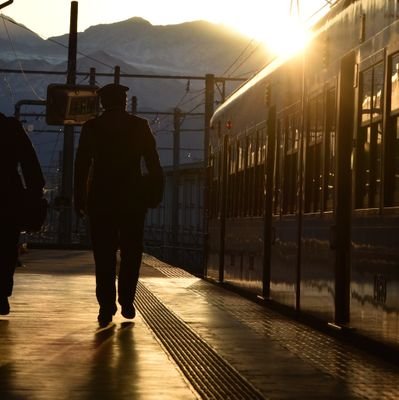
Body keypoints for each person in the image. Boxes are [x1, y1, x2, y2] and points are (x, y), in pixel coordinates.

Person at [74, 83, 163, 327]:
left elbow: (81, 165)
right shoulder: (139, 126)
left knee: (104, 255)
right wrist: (154, 194)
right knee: (131, 252)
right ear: (123, 101)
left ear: (103, 103)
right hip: (132, 200)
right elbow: (153, 163)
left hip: (101, 200)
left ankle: (105, 306)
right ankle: (127, 301)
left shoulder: (92, 128)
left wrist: (79, 199)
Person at [0, 112, 45, 315]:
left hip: (9, 196)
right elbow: (29, 162)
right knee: (6, 245)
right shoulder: (10, 127)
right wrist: (34, 192)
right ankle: (1, 293)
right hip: (8, 196)